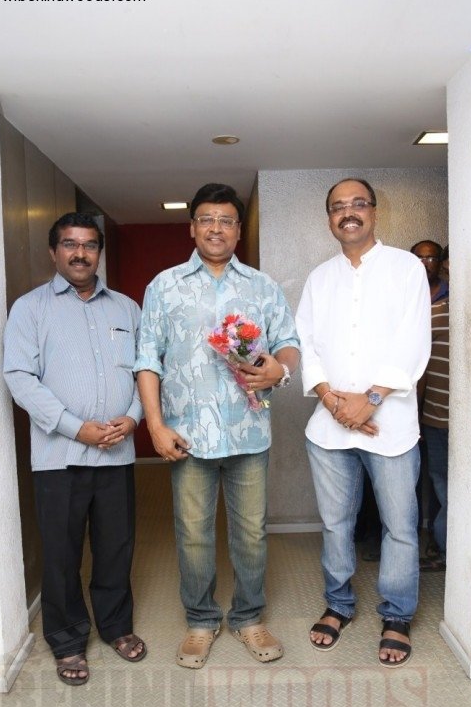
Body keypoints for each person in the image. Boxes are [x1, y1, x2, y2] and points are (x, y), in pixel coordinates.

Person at [135, 183, 300, 669]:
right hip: (187, 436)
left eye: (226, 221)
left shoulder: (262, 286)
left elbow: (289, 343)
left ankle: (248, 617)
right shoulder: (164, 286)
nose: (216, 228)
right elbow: (147, 359)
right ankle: (201, 621)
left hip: (249, 431)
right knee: (193, 534)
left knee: (251, 534)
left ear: (238, 230)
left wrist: (280, 369)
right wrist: (155, 426)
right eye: (206, 219)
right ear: (192, 227)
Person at [4, 212, 146, 686]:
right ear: (54, 252)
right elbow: (19, 377)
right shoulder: (30, 309)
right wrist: (74, 428)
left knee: (116, 546)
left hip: (117, 453)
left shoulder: (126, 308)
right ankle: (66, 641)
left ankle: (116, 626)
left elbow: (146, 371)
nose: (80, 254)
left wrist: (134, 416)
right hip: (58, 458)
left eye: (89, 245)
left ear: (98, 252)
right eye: (70, 244)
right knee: (61, 553)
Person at [296, 178, 431, 667]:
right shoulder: (319, 278)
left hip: (391, 426)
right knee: (336, 524)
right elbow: (306, 343)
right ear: (329, 218)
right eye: (338, 207)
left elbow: (413, 340)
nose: (348, 212)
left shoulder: (405, 268)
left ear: (374, 211)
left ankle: (397, 615)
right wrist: (333, 401)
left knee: (400, 527)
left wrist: (370, 400)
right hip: (328, 428)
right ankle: (338, 604)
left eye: (357, 204)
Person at [418, 246, 449, 571]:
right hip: (435, 417)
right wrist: (416, 414)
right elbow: (420, 368)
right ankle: (442, 549)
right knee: (439, 483)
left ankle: (448, 551)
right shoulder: (435, 312)